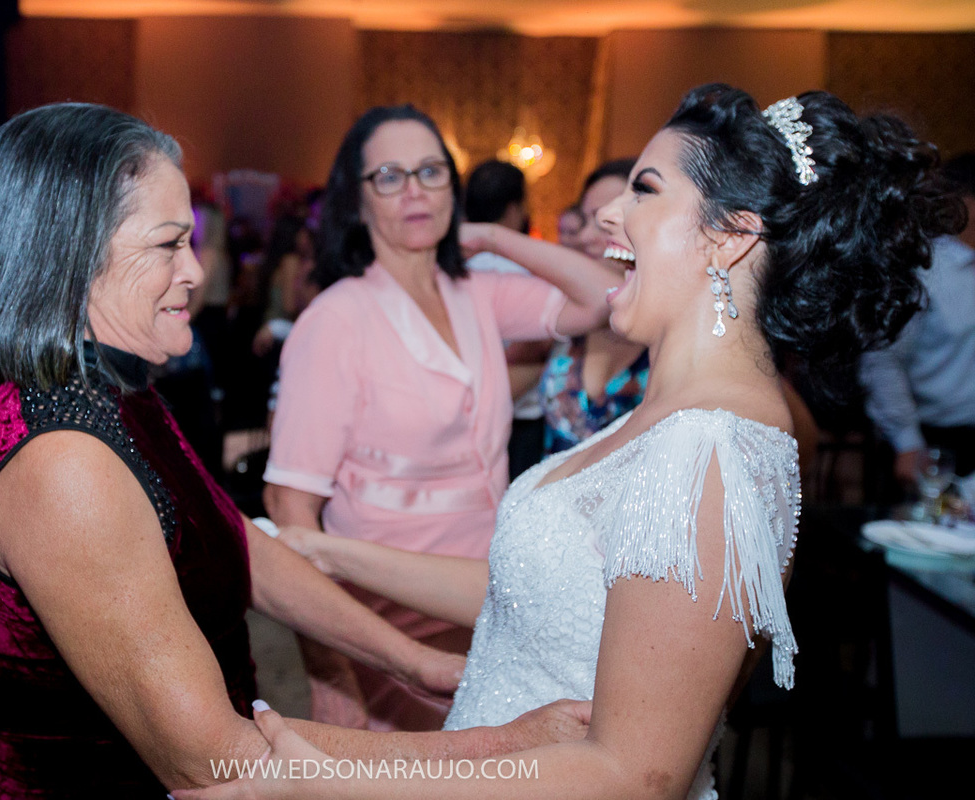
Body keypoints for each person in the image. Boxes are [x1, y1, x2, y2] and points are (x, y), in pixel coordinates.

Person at [177, 83, 961, 800]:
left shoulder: (710, 451)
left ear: (728, 237)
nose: (607, 216)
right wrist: (328, 554)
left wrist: (348, 779)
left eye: (644, 190)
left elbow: (633, 774)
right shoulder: (669, 417)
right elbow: (542, 592)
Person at [0, 102, 589, 796]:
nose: (195, 271)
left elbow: (244, 549)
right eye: (168, 245)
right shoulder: (64, 465)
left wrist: (411, 662)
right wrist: (498, 748)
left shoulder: (118, 396)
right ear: (69, 257)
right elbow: (215, 760)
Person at [262, 105, 620, 732]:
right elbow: (289, 507)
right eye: (390, 176)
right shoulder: (336, 321)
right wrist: (331, 666)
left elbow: (606, 297)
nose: (415, 191)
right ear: (358, 200)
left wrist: (492, 238)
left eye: (431, 172)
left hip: (487, 599)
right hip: (383, 618)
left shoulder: (476, 292)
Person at [860, 151, 975, 481]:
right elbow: (883, 359)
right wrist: (907, 442)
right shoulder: (924, 268)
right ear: (965, 203)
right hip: (938, 438)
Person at [537, 159, 649, 454]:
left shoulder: (670, 332)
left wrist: (491, 239)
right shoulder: (569, 311)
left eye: (604, 220)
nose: (585, 237)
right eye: (585, 220)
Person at [463, 159, 551, 478]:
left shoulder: (451, 271)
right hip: (520, 419)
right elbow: (537, 344)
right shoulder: (529, 270)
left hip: (464, 418)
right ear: (514, 208)